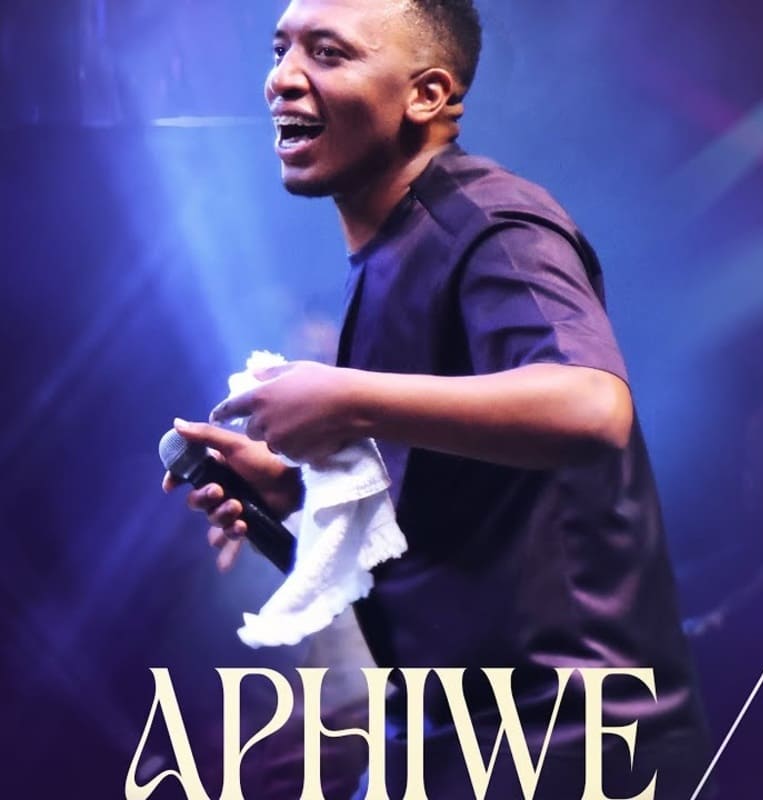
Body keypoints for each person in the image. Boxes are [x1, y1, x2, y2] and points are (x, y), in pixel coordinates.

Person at [164, 0, 710, 796]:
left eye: (327, 52)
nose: (283, 77)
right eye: (280, 49)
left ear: (426, 95)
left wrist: (345, 397)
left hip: (570, 747)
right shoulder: (392, 256)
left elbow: (592, 407)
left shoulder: (489, 223)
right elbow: (454, 518)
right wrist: (299, 499)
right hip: (464, 745)